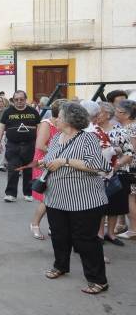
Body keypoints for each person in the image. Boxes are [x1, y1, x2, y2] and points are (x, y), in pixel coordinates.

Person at [40, 102, 110, 295]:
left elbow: (98, 166)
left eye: (59, 116)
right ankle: (60, 265)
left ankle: (98, 280)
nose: (56, 119)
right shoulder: (55, 138)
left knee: (85, 240)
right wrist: (45, 163)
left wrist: (65, 161)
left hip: (84, 200)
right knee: (59, 235)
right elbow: (53, 159)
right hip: (56, 198)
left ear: (70, 119)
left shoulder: (88, 139)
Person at [94, 102, 133, 246]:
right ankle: (98, 234)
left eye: (100, 112)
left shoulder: (119, 131)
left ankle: (110, 234)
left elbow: (129, 153)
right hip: (97, 175)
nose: (97, 115)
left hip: (118, 174)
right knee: (100, 206)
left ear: (108, 115)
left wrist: (115, 167)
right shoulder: (93, 131)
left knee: (115, 206)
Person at [26, 99, 64, 240]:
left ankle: (52, 227)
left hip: (57, 164)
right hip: (44, 163)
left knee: (55, 197)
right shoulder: (46, 124)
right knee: (47, 198)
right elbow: (40, 145)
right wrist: (60, 154)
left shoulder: (63, 125)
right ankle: (35, 224)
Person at [0, 91, 40, 202]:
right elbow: (1, 127)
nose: (19, 101)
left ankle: (28, 193)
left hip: (30, 145)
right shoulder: (8, 112)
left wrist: (39, 143)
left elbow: (39, 128)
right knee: (12, 170)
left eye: (21, 99)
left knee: (28, 170)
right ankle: (11, 194)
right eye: (16, 99)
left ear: (26, 99)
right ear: (13, 100)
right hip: (13, 145)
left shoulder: (33, 111)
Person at [114, 100, 136, 239]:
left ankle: (134, 230)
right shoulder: (128, 126)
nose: (115, 113)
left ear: (125, 114)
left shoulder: (131, 128)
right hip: (128, 167)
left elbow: (132, 150)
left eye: (117, 111)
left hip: (130, 168)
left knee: (130, 199)